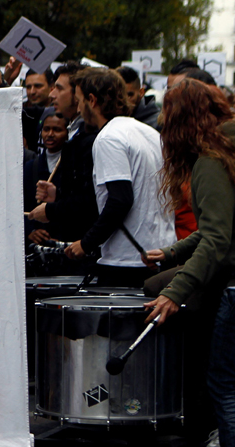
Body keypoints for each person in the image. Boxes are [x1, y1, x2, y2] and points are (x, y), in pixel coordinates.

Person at [139, 79, 235, 447]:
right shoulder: (227, 147)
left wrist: (176, 291)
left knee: (224, 384)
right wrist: (174, 251)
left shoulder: (210, 159)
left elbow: (218, 239)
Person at [61, 68, 174, 287]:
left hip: (127, 262)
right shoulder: (149, 133)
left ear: (92, 100)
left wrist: (86, 243)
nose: (78, 107)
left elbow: (120, 199)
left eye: (80, 100)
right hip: (161, 254)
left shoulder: (108, 138)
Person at [28, 63, 98, 244]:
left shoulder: (92, 138)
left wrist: (51, 210)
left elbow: (91, 201)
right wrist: (58, 195)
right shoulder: (77, 134)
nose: (52, 95)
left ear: (78, 93)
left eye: (59, 88)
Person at [25, 113, 70, 246]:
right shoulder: (31, 166)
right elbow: (23, 204)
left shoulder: (72, 165)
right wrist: (31, 231)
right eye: (46, 129)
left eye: (57, 130)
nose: (50, 134)